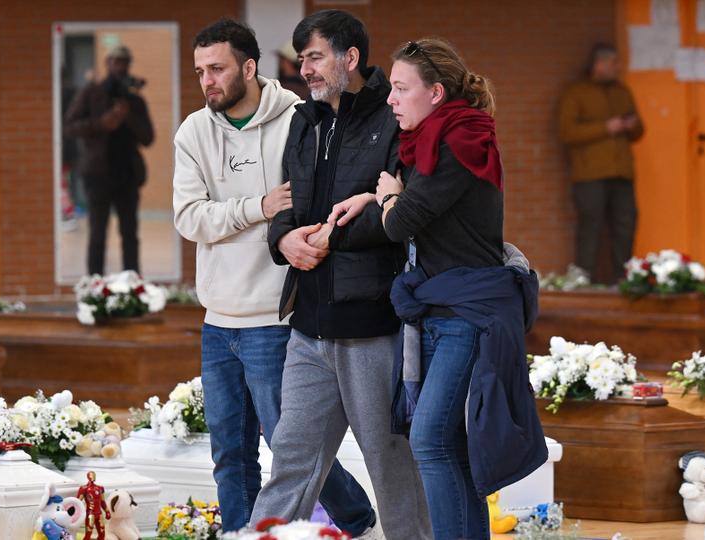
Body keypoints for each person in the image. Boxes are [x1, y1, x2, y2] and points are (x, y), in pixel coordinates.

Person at [328, 38, 548, 539]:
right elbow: (409, 204)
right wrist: (378, 195)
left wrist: (386, 198)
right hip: (443, 307)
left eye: (402, 88)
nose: (390, 98)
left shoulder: (457, 143)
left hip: (468, 312)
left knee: (430, 439)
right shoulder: (439, 138)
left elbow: (401, 220)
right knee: (446, 441)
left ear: (436, 93)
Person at [172, 19, 375, 534]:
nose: (207, 81)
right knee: (229, 452)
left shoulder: (297, 120)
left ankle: (355, 517)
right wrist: (256, 207)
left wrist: (274, 221)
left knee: (289, 446)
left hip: (276, 314)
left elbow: (305, 207)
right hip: (219, 317)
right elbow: (189, 218)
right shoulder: (193, 131)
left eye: (216, 69)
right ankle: (245, 533)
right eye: (199, 72)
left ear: (248, 66)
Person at [249, 11, 431, 540]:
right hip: (308, 326)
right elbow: (286, 200)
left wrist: (335, 235)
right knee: (290, 459)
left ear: (349, 58)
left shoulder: (393, 119)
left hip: (373, 326)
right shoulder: (303, 122)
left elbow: (403, 209)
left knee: (391, 462)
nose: (303, 68)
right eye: (300, 58)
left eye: (314, 56)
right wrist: (283, 239)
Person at [65, 45, 154, 275]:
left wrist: (127, 117)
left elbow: (148, 137)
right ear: (107, 63)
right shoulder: (91, 93)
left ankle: (133, 286)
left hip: (127, 175)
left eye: (124, 62)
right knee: (97, 234)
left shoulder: (134, 101)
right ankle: (95, 286)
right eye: (115, 61)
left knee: (130, 235)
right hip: (97, 175)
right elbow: (70, 127)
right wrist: (102, 123)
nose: (120, 67)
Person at [559, 42, 644, 283]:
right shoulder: (576, 93)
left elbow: (639, 133)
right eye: (613, 63)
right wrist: (606, 128)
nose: (618, 67)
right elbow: (567, 132)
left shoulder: (621, 91)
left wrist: (632, 124)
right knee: (591, 226)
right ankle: (583, 279)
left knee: (626, 224)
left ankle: (623, 279)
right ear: (599, 64)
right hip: (590, 174)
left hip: (622, 172)